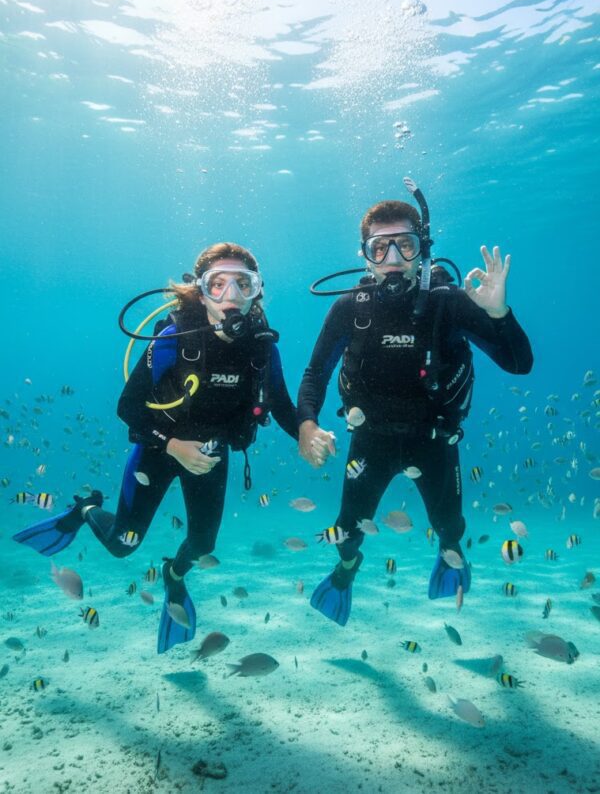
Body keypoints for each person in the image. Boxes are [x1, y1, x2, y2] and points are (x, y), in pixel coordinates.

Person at [14, 242, 298, 652]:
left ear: (257, 291)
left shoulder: (262, 347)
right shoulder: (173, 337)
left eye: (243, 283)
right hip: (157, 449)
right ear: (200, 291)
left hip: (209, 456)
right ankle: (86, 509)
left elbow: (282, 405)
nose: (231, 295)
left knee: (203, 546)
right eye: (217, 284)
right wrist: (173, 445)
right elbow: (128, 407)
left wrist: (307, 432)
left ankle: (174, 575)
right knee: (122, 546)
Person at [297, 180, 533, 626]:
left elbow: (519, 364)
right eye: (379, 247)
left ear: (422, 249)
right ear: (365, 255)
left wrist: (498, 313)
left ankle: (451, 560)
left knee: (450, 528)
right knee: (347, 530)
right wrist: (307, 424)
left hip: (435, 440)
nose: (392, 259)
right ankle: (346, 570)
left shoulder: (450, 303)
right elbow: (315, 374)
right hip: (370, 440)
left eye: (404, 245)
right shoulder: (350, 308)